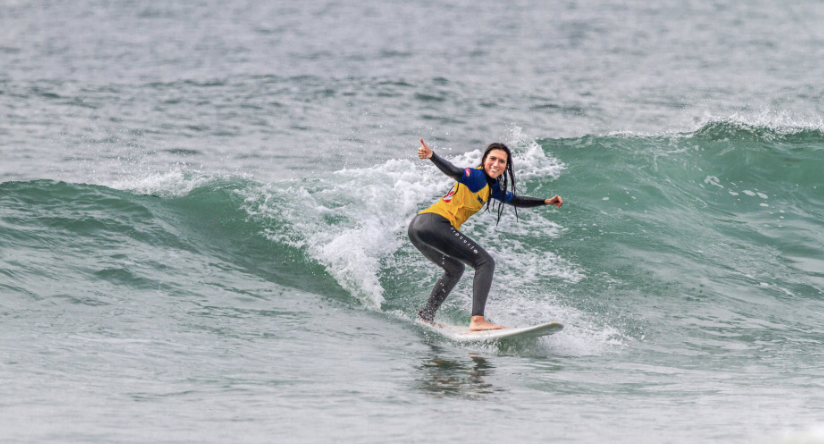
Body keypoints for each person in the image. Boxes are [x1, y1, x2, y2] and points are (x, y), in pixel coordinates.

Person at [408, 138, 563, 331]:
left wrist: (545, 201)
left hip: (417, 228)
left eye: (501, 161)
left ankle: (427, 316)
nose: (496, 164)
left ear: (506, 166)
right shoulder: (477, 176)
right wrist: (433, 156)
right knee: (485, 262)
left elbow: (515, 199)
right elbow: (454, 171)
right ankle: (477, 320)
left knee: (455, 269)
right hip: (434, 223)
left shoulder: (491, 187)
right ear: (484, 159)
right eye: (493, 159)